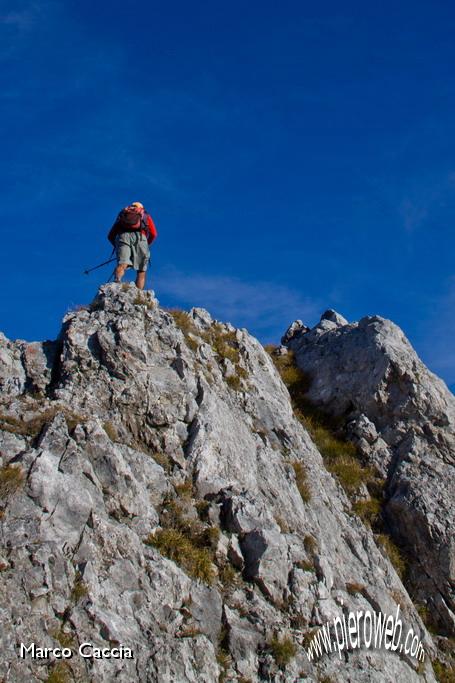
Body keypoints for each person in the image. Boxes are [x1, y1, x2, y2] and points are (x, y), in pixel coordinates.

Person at [107, 202, 157, 290]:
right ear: (141, 208)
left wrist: (118, 246)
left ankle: (117, 281)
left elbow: (110, 236)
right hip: (141, 239)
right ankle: (139, 292)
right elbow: (153, 234)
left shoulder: (124, 215)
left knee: (122, 263)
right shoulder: (144, 215)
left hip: (123, 237)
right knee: (141, 270)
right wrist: (146, 245)